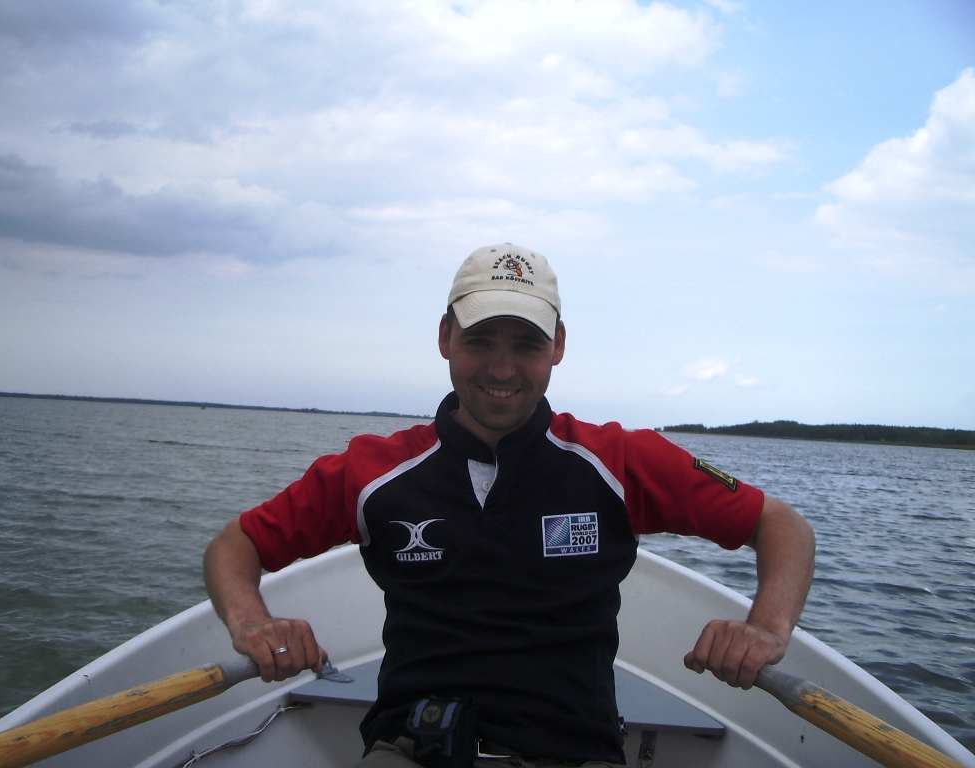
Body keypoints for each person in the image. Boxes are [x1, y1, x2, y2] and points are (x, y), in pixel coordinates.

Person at [203, 243, 815, 768]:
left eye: (526, 344)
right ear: (445, 338)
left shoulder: (619, 462)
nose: (502, 368)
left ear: (558, 346)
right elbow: (238, 544)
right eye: (479, 340)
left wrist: (764, 628)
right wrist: (253, 624)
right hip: (412, 748)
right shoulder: (373, 473)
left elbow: (778, 524)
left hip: (576, 753)